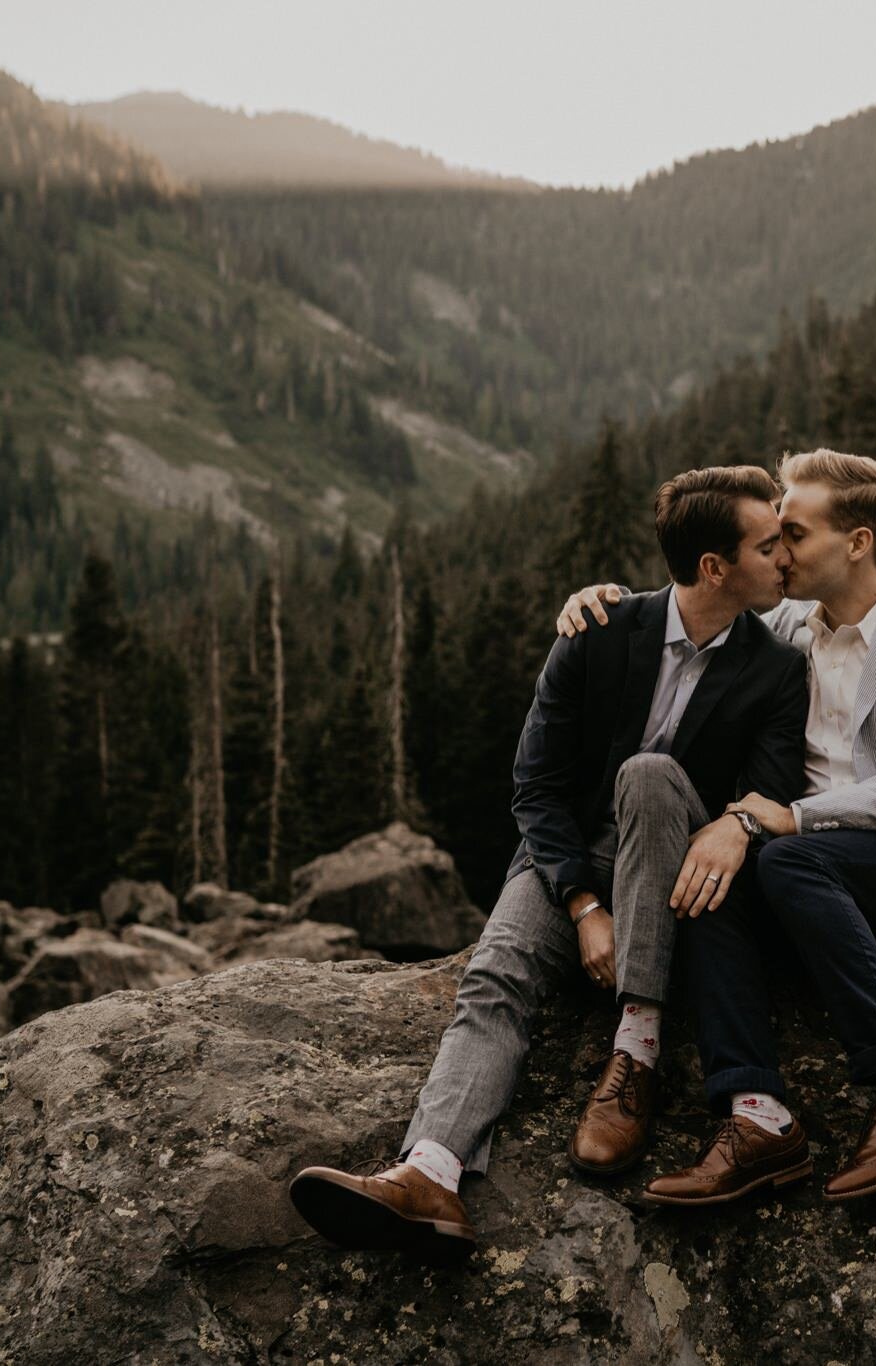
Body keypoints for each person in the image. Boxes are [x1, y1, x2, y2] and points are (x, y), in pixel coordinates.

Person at [289, 465, 809, 1253]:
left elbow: (769, 788)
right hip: (569, 857)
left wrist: (737, 821)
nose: (786, 560)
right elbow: (536, 785)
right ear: (715, 567)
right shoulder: (599, 629)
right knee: (497, 973)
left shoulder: (774, 668)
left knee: (649, 773)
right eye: (769, 546)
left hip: (677, 855)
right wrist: (581, 904)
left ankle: (635, 1051)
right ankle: (430, 1172)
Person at [555, 447, 876, 1207]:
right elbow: (693, 603)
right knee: (709, 873)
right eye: (773, 539)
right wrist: (607, 605)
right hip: (800, 878)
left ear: (856, 544)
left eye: (795, 534)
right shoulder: (782, 622)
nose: (778, 552)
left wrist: (786, 818)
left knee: (783, 860)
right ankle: (757, 1113)